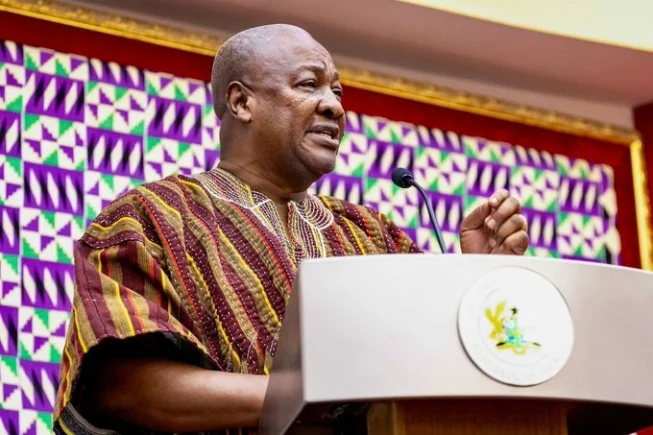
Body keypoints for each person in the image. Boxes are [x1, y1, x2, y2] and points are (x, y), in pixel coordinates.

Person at [53, 24, 528, 435]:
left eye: (338, 92)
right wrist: (311, 394)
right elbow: (123, 389)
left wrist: (479, 280)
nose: (334, 107)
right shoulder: (150, 218)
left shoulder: (373, 236)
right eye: (309, 85)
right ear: (241, 102)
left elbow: (438, 373)